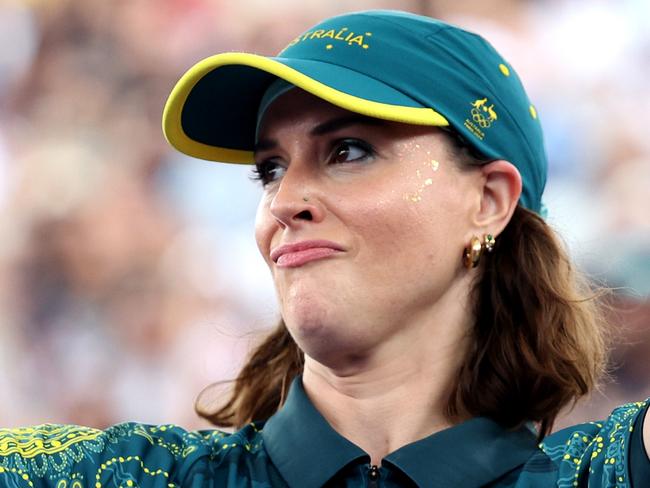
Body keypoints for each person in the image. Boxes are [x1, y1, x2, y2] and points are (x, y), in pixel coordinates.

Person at [1, 9, 648, 488]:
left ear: (488, 202)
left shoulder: (605, 474)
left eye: (349, 151)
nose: (283, 204)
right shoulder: (113, 476)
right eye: (271, 168)